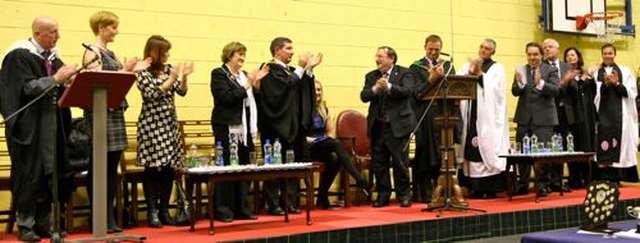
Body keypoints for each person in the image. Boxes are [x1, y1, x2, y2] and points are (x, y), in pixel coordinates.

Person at [0, 16, 78, 241]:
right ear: (37, 34)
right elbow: (25, 88)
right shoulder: (18, 55)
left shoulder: (53, 58)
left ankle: (45, 223)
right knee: (29, 174)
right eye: (53, 31)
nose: (58, 36)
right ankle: (26, 225)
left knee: (50, 173)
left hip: (52, 124)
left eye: (57, 31)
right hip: (28, 127)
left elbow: (58, 83)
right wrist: (56, 78)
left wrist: (68, 81)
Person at [82, 10, 149, 233]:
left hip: (115, 114)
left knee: (111, 169)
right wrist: (126, 69)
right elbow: (98, 81)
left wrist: (131, 72)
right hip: (101, 116)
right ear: (101, 27)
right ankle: (98, 216)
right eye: (113, 27)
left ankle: (108, 215)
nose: (116, 31)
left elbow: (117, 83)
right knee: (98, 168)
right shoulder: (92, 52)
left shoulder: (110, 52)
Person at [254, 37, 321, 215]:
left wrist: (309, 69)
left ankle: (290, 201)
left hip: (294, 126)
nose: (292, 52)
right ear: (277, 50)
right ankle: (274, 203)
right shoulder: (268, 69)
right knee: (275, 166)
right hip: (275, 126)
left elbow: (304, 89)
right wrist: (301, 67)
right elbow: (283, 90)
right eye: (288, 48)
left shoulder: (291, 71)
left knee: (293, 165)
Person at [135, 35, 193, 228]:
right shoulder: (142, 72)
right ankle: (151, 212)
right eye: (165, 51)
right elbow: (153, 93)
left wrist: (184, 77)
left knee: (169, 168)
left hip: (169, 125)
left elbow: (182, 92)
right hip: (152, 125)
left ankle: (164, 209)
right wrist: (173, 78)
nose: (168, 54)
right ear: (156, 52)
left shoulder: (168, 70)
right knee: (152, 168)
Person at [210, 42, 268, 222]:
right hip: (227, 128)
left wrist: (256, 85)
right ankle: (224, 210)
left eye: (244, 55)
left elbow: (253, 100)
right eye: (238, 54)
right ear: (229, 55)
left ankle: (242, 208)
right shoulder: (219, 74)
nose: (242, 58)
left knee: (246, 168)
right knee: (227, 168)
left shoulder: (243, 75)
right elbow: (226, 98)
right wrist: (248, 85)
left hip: (246, 129)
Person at [360, 46, 416, 208]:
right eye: (376, 56)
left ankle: (404, 195)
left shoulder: (405, 73)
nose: (377, 59)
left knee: (400, 163)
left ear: (391, 58)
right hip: (378, 126)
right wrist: (376, 89)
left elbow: (407, 91)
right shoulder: (371, 76)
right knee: (379, 163)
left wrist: (389, 87)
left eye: (380, 56)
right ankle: (383, 195)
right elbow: (364, 96)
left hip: (398, 126)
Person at [307, 80, 372, 209]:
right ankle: (360, 180)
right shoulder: (302, 109)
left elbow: (330, 132)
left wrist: (322, 140)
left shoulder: (323, 109)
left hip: (321, 145)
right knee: (336, 144)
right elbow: (300, 135)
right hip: (307, 147)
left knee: (334, 158)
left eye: (319, 90)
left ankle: (322, 196)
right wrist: (317, 140)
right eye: (314, 89)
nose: (317, 92)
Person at [458, 38, 508, 199]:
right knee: (469, 145)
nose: (483, 50)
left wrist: (480, 74)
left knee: (485, 145)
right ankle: (473, 187)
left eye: (487, 48)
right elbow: (458, 81)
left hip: (487, 117)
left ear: (493, 52)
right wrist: (470, 72)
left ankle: (488, 187)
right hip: (470, 112)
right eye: (481, 47)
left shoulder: (497, 68)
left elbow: (496, 91)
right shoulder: (468, 65)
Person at [409, 34, 454, 203]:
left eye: (437, 50)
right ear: (425, 48)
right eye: (430, 49)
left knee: (442, 152)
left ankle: (442, 188)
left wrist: (443, 77)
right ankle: (425, 190)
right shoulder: (415, 68)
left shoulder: (448, 66)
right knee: (425, 153)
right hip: (424, 116)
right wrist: (431, 79)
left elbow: (454, 87)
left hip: (444, 114)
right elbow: (416, 93)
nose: (434, 53)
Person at [511, 42, 560, 197]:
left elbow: (556, 90)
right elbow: (515, 91)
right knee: (522, 154)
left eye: (535, 54)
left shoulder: (551, 70)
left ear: (541, 55)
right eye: (529, 54)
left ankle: (542, 184)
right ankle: (523, 184)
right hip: (524, 117)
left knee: (543, 153)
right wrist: (519, 83)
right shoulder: (521, 70)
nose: (532, 57)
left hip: (544, 118)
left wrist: (541, 83)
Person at [591, 43, 638, 184]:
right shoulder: (595, 73)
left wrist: (617, 84)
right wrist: (605, 84)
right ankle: (602, 177)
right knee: (602, 144)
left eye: (610, 53)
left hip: (621, 115)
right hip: (601, 115)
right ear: (602, 55)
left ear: (614, 54)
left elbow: (632, 93)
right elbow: (593, 94)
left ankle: (617, 178)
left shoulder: (625, 71)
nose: (607, 56)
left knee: (620, 144)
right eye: (605, 53)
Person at [542, 38, 577, 193]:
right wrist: (562, 82)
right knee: (547, 147)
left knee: (561, 147)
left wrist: (570, 81)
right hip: (547, 112)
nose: (547, 49)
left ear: (557, 49)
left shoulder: (566, 66)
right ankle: (545, 182)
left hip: (563, 113)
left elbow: (575, 91)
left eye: (550, 47)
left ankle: (557, 181)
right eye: (545, 47)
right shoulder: (540, 67)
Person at [563, 47, 596, 189]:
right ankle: (574, 179)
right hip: (572, 115)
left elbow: (592, 92)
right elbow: (570, 91)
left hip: (586, 114)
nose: (570, 57)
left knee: (586, 147)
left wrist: (586, 78)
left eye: (573, 55)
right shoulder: (565, 74)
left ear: (578, 57)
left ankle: (588, 179)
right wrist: (578, 81)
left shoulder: (585, 72)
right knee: (573, 147)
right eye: (568, 56)